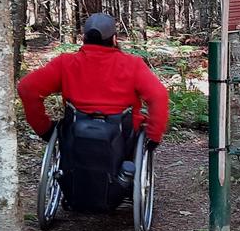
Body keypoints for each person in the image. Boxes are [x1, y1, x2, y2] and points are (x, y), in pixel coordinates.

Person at [17, 13, 169, 147]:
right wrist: (154, 136)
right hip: (123, 138)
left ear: (83, 38)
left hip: (75, 137)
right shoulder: (132, 64)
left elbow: (27, 88)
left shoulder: (65, 64)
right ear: (115, 39)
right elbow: (159, 95)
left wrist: (44, 129)